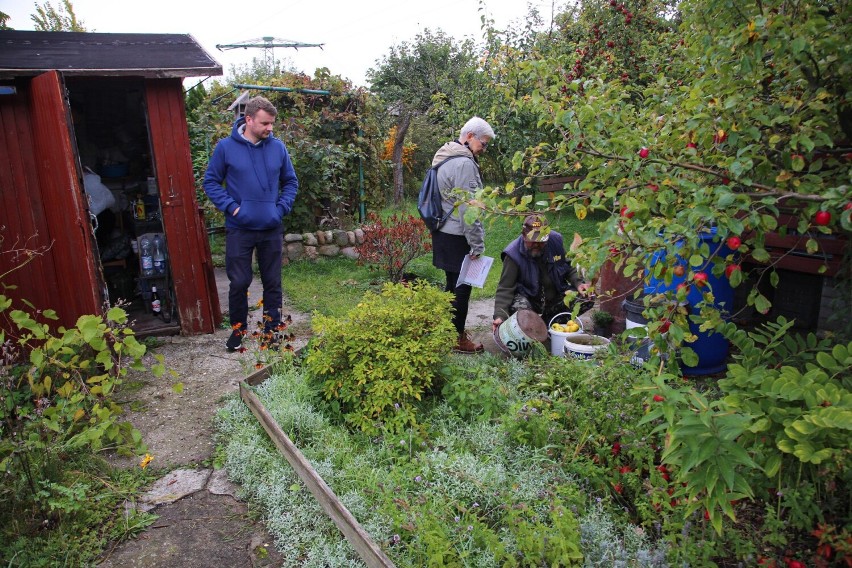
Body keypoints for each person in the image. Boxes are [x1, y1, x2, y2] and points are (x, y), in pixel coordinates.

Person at [203, 96, 299, 351]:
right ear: (248, 119)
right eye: (265, 123)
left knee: (273, 282)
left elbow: (291, 182)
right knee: (239, 282)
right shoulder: (225, 147)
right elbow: (211, 182)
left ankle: (272, 332)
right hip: (240, 229)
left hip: (270, 227)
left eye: (272, 124)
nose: (270, 128)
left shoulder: (277, 148)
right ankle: (238, 331)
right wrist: (233, 208)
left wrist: (280, 209)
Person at [431, 116, 495, 353]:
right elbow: (470, 209)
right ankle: (457, 339)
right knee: (462, 288)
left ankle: (446, 332)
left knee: (451, 285)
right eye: (483, 143)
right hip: (458, 235)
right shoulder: (464, 164)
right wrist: (477, 245)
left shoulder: (445, 155)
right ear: (469, 136)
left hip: (443, 231)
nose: (484, 149)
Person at [492, 214, 592, 334]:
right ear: (523, 236)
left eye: (541, 241)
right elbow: (505, 288)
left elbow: (568, 267)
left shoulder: (555, 241)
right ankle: (531, 326)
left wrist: (579, 283)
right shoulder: (513, 255)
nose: (537, 244)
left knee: (586, 297)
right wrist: (499, 316)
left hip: (554, 298)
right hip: (529, 300)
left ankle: (547, 324)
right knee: (520, 308)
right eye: (533, 240)